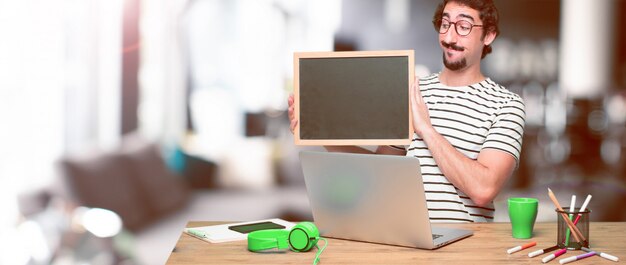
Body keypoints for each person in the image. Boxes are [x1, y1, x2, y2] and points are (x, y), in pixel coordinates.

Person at [288, 0, 525, 223]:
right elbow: (380, 174)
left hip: (464, 247)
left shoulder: (506, 105)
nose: (449, 37)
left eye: (463, 26)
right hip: (401, 236)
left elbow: (483, 190)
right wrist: (319, 131)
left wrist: (426, 129)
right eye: (445, 24)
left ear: (489, 35)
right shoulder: (411, 90)